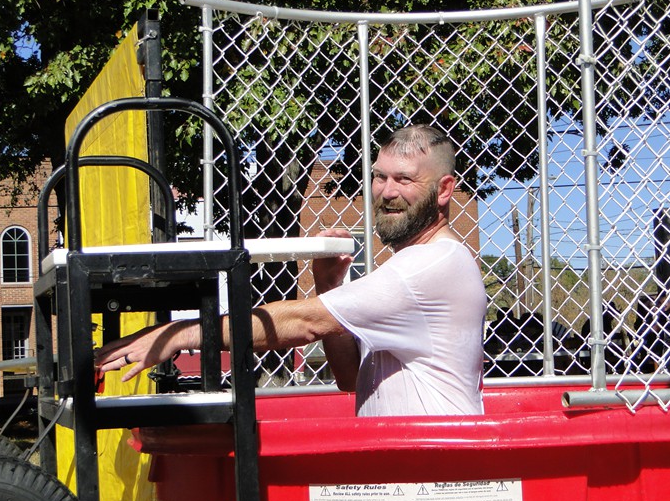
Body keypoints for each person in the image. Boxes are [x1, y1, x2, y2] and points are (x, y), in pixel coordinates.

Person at [96, 125, 487, 416]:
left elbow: (304, 322)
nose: (386, 191)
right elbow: (352, 381)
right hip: (409, 471)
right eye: (379, 176)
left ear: (445, 190)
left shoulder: (428, 266)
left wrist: (178, 334)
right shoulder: (416, 265)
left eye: (404, 179)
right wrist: (327, 285)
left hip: (436, 477)